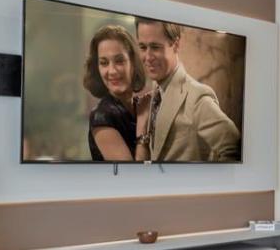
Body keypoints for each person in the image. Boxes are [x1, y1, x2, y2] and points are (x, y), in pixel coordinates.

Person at [135, 18, 241, 162]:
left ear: (176, 45)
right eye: (142, 47)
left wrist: (209, 177)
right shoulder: (156, 91)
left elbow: (233, 147)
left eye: (155, 47)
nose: (148, 57)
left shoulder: (197, 96)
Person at [83, 25, 154, 161]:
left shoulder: (138, 106)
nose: (112, 71)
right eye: (104, 63)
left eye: (119, 61)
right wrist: (142, 129)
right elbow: (132, 173)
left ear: (133, 62)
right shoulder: (102, 116)